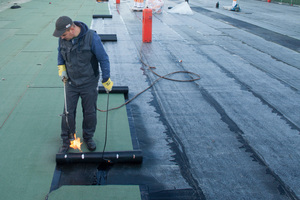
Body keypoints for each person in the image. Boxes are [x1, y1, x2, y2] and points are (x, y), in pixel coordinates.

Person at [53, 16, 113, 153]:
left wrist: (106, 78)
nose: (61, 38)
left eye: (64, 35)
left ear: (72, 29)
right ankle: (67, 140)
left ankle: (88, 137)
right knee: (68, 112)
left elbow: (103, 58)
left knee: (89, 111)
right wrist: (61, 67)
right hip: (71, 82)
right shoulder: (62, 38)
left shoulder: (92, 38)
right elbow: (60, 53)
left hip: (89, 82)